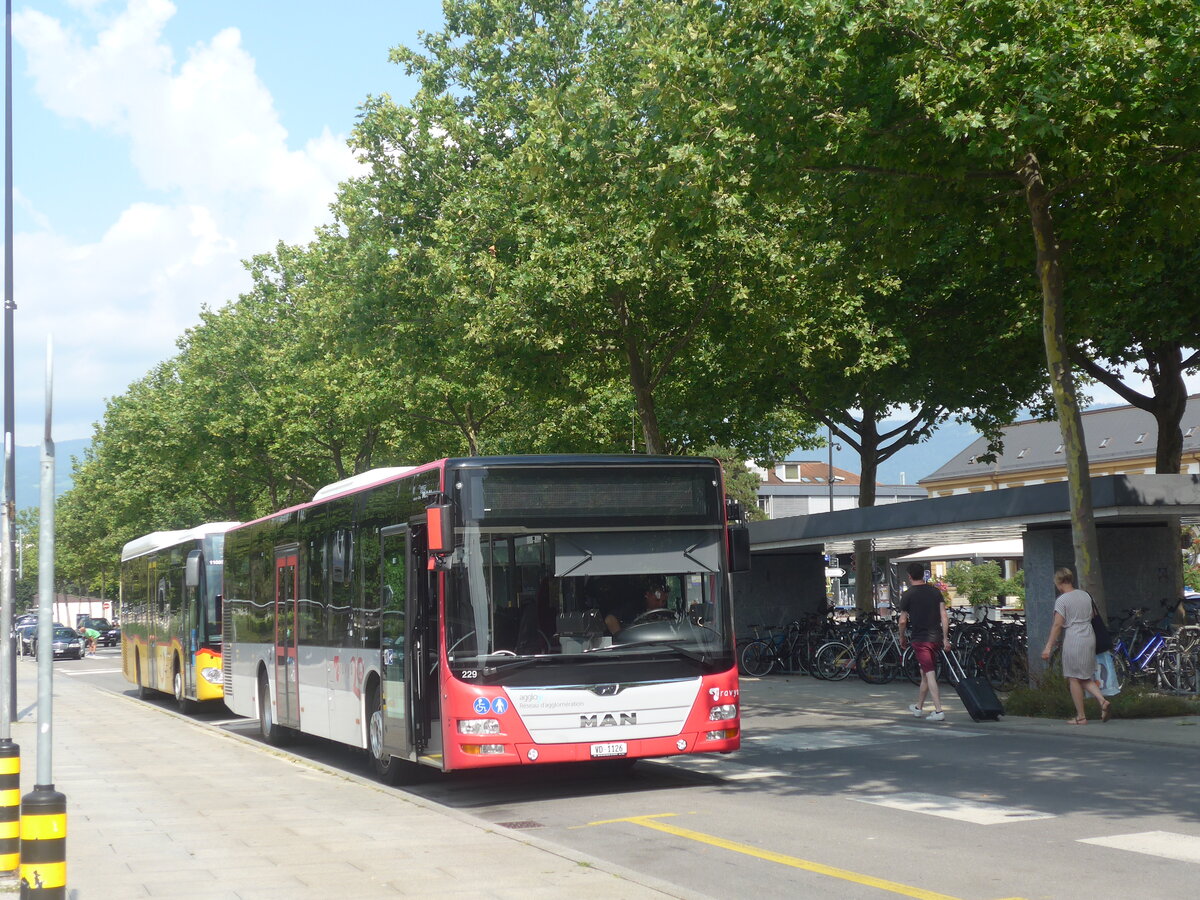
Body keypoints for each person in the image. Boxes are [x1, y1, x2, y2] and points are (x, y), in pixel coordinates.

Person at [1041, 567, 1111, 724]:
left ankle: (1081, 716)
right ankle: (1102, 701)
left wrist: (1048, 646)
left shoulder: (1062, 600)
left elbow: (1057, 625)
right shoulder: (1085, 595)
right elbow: (1093, 615)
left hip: (1074, 638)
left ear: (1059, 582)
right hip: (1089, 637)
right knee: (1084, 676)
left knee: (1073, 677)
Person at [897, 562, 950, 721]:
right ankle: (918, 708)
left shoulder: (908, 595)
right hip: (936, 638)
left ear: (910, 576)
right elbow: (944, 616)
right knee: (925, 673)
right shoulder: (935, 592)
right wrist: (945, 638)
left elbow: (902, 621)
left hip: (920, 639)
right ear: (924, 574)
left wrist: (901, 636)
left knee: (930, 673)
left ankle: (939, 711)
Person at [604, 578, 669, 635]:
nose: (660, 604)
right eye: (657, 600)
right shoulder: (632, 608)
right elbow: (610, 619)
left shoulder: (667, 614)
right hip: (635, 646)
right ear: (647, 595)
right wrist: (621, 638)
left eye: (663, 601)